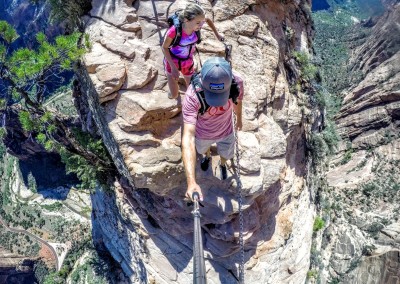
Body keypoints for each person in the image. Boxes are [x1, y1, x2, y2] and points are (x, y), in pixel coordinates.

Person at [181, 57, 244, 201]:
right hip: (203, 134)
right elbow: (188, 137)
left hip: (226, 130)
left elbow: (238, 101)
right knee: (203, 150)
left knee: (226, 154)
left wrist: (239, 119)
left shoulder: (237, 82)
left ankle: (222, 164)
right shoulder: (192, 96)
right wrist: (191, 183)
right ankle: (208, 157)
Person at [162, 3, 224, 99]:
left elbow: (207, 20)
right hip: (173, 61)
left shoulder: (196, 24)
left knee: (192, 91)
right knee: (174, 95)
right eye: (198, 23)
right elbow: (165, 48)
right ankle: (171, 93)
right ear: (186, 20)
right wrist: (173, 68)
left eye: (202, 22)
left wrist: (217, 34)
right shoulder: (174, 31)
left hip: (188, 62)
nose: (201, 25)